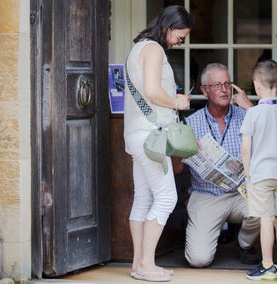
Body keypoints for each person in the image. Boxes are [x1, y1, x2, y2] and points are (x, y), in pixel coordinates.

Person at [123, 5, 192, 282]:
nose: (180, 42)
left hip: (137, 134)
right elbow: (152, 91)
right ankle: (148, 264)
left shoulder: (138, 48)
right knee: (166, 197)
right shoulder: (153, 49)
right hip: (151, 136)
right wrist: (177, 101)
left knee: (143, 198)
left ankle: (138, 264)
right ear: (168, 27)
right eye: (180, 36)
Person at [183, 63, 260, 267]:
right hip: (206, 194)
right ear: (204, 90)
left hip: (241, 193)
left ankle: (244, 243)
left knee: (266, 202)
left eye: (227, 83)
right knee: (199, 259)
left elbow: (272, 141)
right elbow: (176, 167)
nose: (224, 89)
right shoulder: (191, 124)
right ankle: (212, 231)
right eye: (217, 85)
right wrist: (185, 148)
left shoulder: (246, 115)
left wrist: (251, 108)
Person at [240, 59, 277, 281]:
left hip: (260, 174)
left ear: (256, 85)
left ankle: (267, 265)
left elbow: (246, 148)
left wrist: (248, 173)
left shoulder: (253, 114)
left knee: (266, 219)